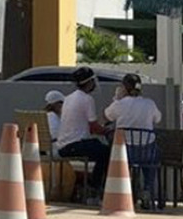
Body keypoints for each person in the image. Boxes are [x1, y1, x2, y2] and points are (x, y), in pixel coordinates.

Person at [105, 73, 162, 207]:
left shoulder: (119, 104)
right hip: (146, 151)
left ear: (124, 88)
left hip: (125, 153)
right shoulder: (149, 103)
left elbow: (107, 116)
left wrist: (116, 98)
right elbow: (158, 119)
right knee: (154, 157)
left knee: (111, 152)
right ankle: (148, 189)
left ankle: (122, 191)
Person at [56, 65, 111, 200]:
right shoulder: (87, 99)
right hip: (75, 145)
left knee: (97, 147)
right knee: (107, 153)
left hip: (63, 145)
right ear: (90, 82)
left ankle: (91, 185)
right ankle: (95, 187)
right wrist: (108, 130)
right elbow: (93, 128)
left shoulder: (68, 98)